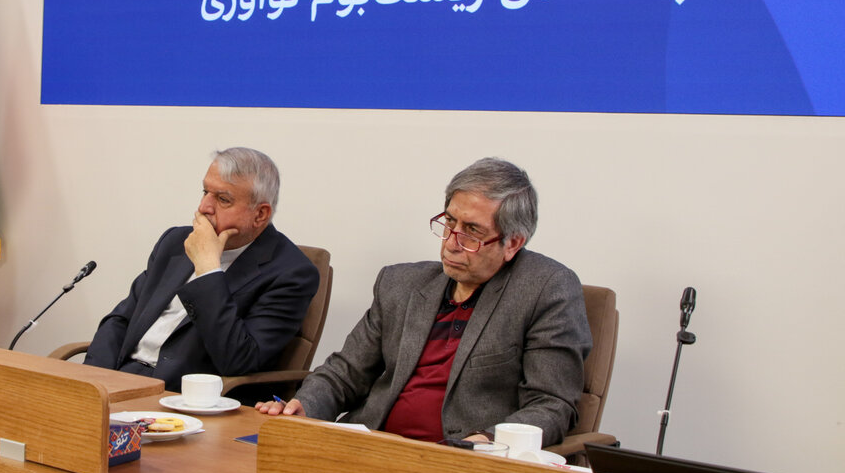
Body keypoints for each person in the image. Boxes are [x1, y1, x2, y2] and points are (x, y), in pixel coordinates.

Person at [256, 157, 591, 447]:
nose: (451, 243)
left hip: (460, 464)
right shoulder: (400, 284)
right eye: (450, 223)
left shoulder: (545, 289)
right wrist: (304, 405)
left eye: (472, 232)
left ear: (513, 243)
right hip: (373, 446)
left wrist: (488, 442)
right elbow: (345, 373)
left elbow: (552, 404)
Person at [84, 147, 320, 392]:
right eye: (205, 192)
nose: (204, 207)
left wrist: (208, 271)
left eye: (223, 199)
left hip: (183, 395)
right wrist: (93, 380)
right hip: (120, 380)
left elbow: (238, 360)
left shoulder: (292, 274)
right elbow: (121, 319)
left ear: (260, 214)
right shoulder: (175, 241)